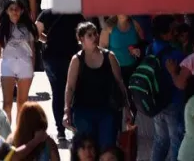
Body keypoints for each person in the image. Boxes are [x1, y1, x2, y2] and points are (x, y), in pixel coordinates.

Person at [64, 21, 128, 151]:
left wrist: (127, 107)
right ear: (81, 39)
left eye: (95, 34)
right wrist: (67, 111)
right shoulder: (77, 60)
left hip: (107, 112)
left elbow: (120, 83)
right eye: (90, 35)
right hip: (83, 112)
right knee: (87, 151)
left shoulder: (109, 56)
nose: (94, 38)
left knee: (107, 149)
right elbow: (70, 87)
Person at [37, 10, 91, 142]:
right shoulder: (77, 15)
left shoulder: (46, 14)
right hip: (70, 57)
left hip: (51, 57)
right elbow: (86, 35)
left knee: (57, 92)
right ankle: (73, 125)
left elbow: (35, 33)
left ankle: (60, 131)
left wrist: (48, 39)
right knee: (73, 91)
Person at [149, 15, 188, 161]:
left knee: (160, 140)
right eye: (172, 31)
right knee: (176, 142)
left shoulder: (150, 48)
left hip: (156, 102)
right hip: (173, 102)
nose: (176, 33)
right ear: (164, 34)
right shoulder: (175, 54)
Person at [0, 0, 36, 125]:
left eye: (17, 9)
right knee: (7, 104)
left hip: (25, 66)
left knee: (22, 104)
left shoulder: (28, 27)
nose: (14, 12)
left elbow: (32, 51)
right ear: (6, 11)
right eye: (11, 9)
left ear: (22, 11)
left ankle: (19, 134)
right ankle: (6, 134)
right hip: (8, 65)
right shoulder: (1, 28)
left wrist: (32, 69)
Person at [101, 15, 145, 84]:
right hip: (116, 70)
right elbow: (102, 50)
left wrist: (138, 50)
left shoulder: (135, 23)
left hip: (134, 67)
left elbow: (143, 43)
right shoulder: (109, 27)